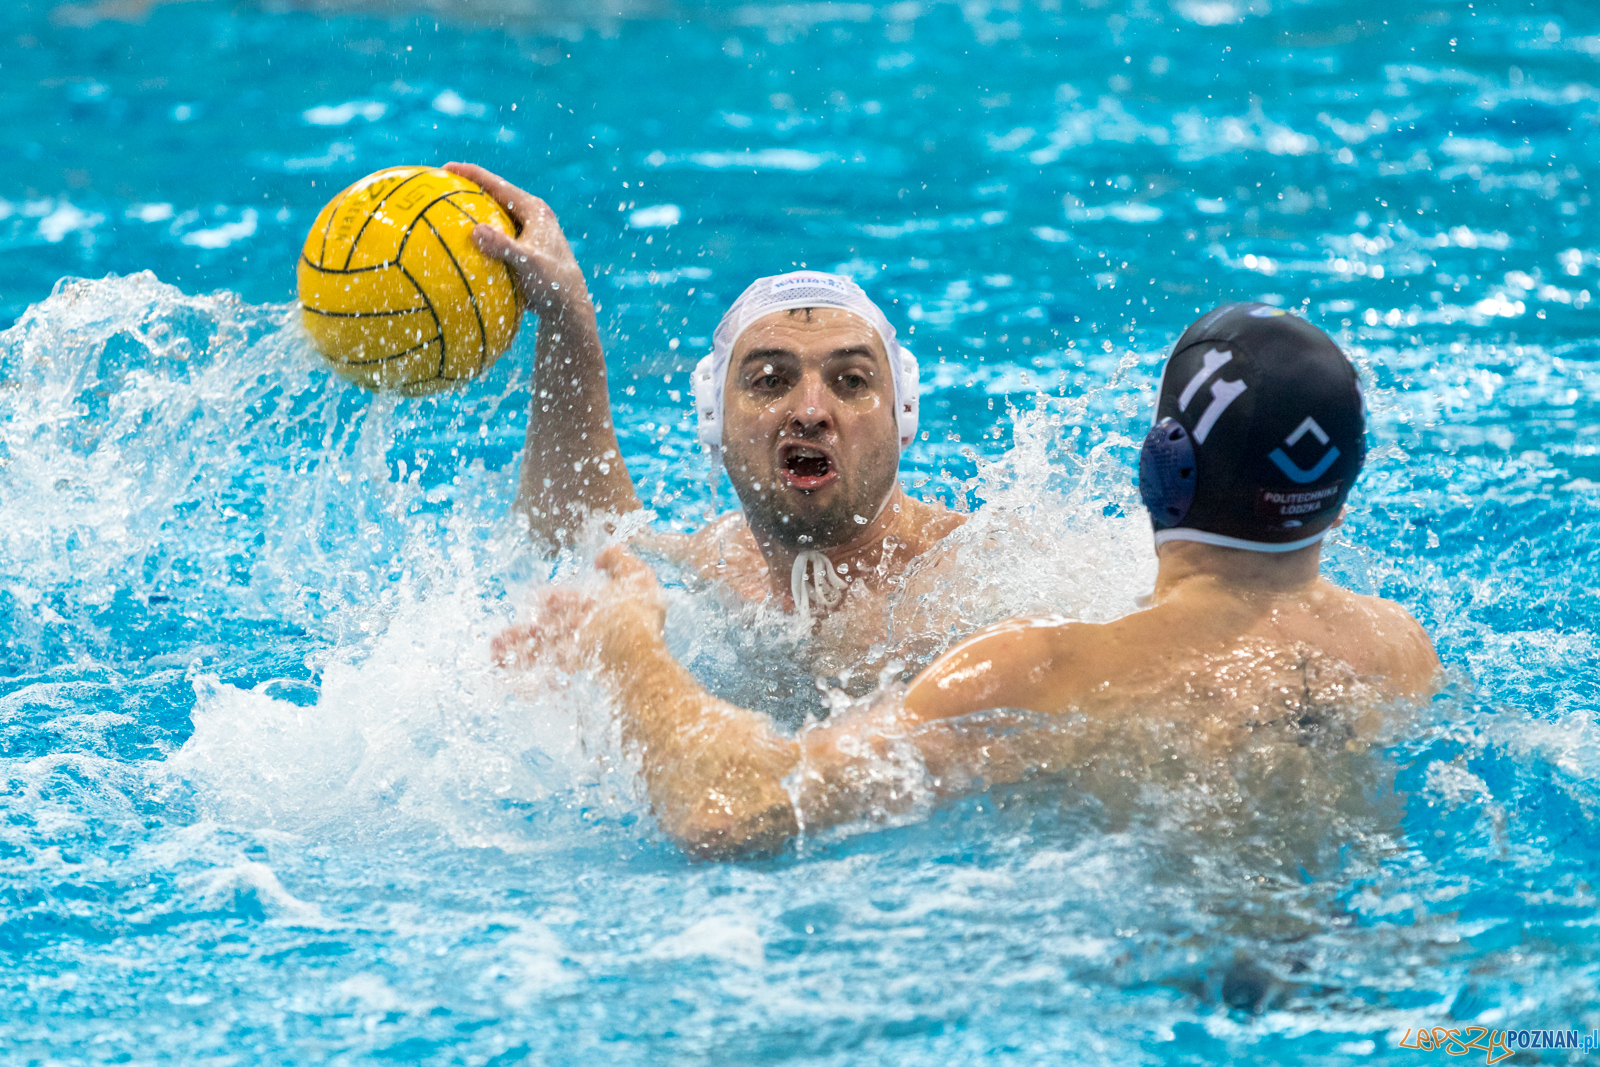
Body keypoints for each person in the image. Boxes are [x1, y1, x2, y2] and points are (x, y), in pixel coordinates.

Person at [496, 303, 1440, 858]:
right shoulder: (1400, 650)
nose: (812, 411)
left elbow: (730, 811)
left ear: (1162, 470)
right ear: (1340, 496)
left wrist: (622, 639)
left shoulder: (1037, 666)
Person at [444, 163, 966, 685]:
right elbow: (574, 529)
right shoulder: (714, 567)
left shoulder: (979, 579)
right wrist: (566, 313)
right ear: (714, 420)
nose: (810, 410)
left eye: (851, 381)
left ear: (903, 414)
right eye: (769, 379)